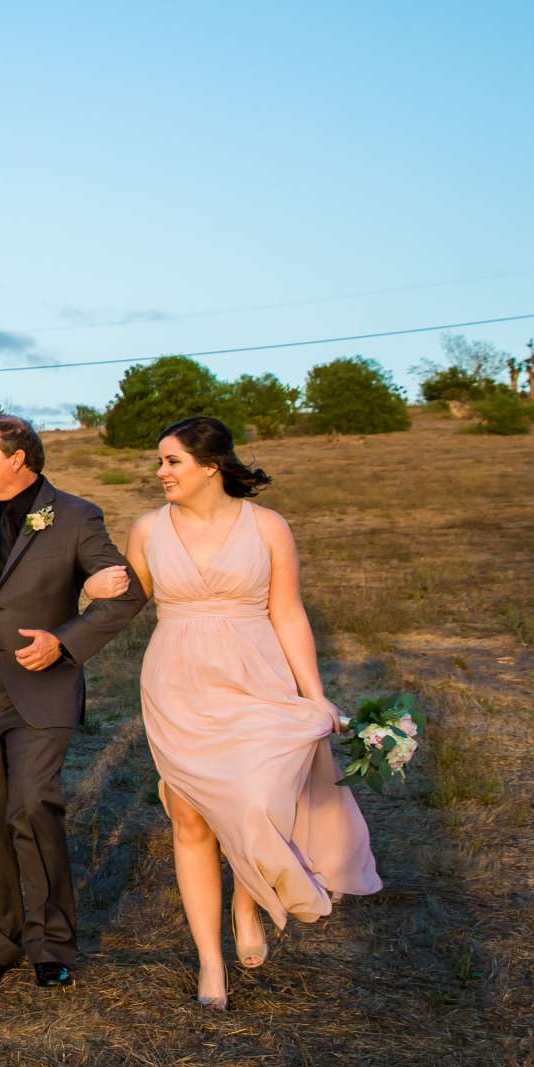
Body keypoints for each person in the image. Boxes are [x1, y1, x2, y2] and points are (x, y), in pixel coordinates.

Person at [125, 415, 379, 1009]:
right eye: (160, 462)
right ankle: (209, 964)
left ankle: (248, 903)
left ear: (211, 466)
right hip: (177, 684)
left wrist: (312, 695)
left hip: (256, 677)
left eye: (172, 462)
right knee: (190, 820)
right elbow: (124, 604)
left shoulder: (268, 527)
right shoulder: (146, 529)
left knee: (256, 802)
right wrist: (90, 597)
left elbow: (288, 612)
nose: (160, 472)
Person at [0, 415, 145, 990]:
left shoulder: (77, 516)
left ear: (18, 457)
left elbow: (127, 594)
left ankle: (50, 942)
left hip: (42, 691)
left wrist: (65, 641)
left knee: (31, 808)